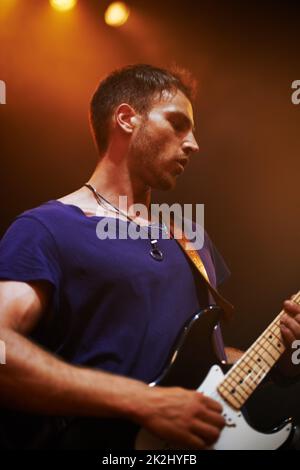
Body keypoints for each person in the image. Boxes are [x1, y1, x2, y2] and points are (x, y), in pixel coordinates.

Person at [0, 64, 299, 450]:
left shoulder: (191, 238)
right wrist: (145, 402)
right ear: (126, 119)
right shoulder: (48, 228)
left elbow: (208, 362)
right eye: (178, 124)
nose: (193, 144)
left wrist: (284, 356)